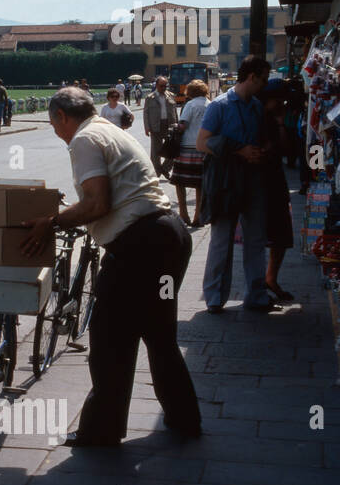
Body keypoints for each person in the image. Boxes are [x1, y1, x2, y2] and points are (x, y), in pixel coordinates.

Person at [20, 85, 200, 446]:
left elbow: (97, 204)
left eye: (54, 123)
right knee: (159, 336)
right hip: (168, 236)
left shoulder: (84, 139)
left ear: (60, 116)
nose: (55, 131)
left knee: (110, 338)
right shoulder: (108, 128)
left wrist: (52, 221)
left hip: (141, 246)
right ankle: (185, 420)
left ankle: (101, 431)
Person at [197, 55, 273, 313]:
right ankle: (215, 297)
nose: (264, 85)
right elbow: (202, 143)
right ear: (251, 77)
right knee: (222, 239)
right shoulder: (219, 106)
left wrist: (262, 149)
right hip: (225, 180)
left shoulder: (256, 107)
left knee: (256, 239)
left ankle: (257, 294)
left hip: (253, 178)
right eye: (262, 79)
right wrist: (240, 151)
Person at [260, 79, 295, 303]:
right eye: (279, 99)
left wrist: (281, 123)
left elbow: (287, 151)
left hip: (275, 180)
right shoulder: (257, 117)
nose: (282, 103)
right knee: (261, 234)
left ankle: (270, 277)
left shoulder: (277, 118)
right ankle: (264, 280)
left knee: (281, 233)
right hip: (261, 181)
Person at [169, 79, 209, 226]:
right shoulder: (210, 104)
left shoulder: (190, 104)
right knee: (199, 183)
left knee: (179, 181)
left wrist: (175, 126)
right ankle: (198, 215)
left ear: (190, 91)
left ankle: (184, 214)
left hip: (186, 147)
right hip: (203, 147)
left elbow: (183, 125)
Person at [142, 76, 178, 176]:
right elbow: (146, 113)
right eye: (161, 86)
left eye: (165, 86)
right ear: (156, 85)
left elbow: (175, 112)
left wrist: (177, 125)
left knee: (172, 149)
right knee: (155, 152)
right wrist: (147, 127)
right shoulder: (150, 97)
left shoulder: (171, 95)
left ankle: (165, 168)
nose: (164, 88)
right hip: (155, 126)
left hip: (169, 125)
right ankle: (156, 172)